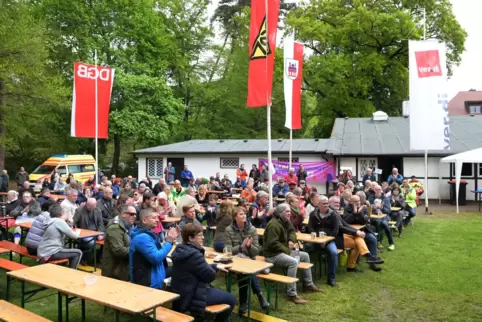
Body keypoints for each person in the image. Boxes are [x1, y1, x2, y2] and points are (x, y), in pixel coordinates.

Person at [171, 223, 236, 321]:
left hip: (181, 294)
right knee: (231, 299)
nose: (203, 237)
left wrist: (215, 265)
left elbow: (195, 268)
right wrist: (214, 269)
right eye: (200, 235)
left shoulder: (181, 250)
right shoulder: (194, 255)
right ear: (191, 238)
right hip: (191, 296)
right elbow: (210, 276)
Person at [263, 203, 321, 304]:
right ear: (280, 213)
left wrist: (291, 240)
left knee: (305, 255)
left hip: (283, 251)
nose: (290, 213)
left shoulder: (285, 221)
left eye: (290, 211)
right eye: (287, 211)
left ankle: (308, 284)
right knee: (293, 262)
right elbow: (272, 244)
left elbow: (292, 232)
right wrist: (287, 250)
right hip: (272, 255)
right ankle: (292, 294)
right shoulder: (274, 224)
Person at [224, 207, 270, 313]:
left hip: (250, 259)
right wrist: (241, 247)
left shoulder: (252, 229)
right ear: (235, 217)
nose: (244, 215)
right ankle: (259, 295)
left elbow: (256, 251)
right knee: (245, 272)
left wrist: (249, 247)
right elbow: (227, 250)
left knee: (245, 272)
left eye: (244, 214)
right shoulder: (228, 230)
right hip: (236, 260)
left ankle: (244, 303)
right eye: (241, 214)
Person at [130, 209, 179, 288]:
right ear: (144, 220)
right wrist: (169, 241)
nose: (157, 220)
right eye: (154, 218)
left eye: (157, 218)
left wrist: (168, 240)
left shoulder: (148, 234)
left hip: (155, 277)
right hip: (147, 284)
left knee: (181, 269)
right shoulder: (142, 238)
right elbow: (156, 258)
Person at [37, 203, 82, 269]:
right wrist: (78, 232)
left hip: (43, 251)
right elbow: (74, 236)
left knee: (68, 250)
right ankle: (71, 274)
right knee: (78, 253)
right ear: (61, 213)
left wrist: (67, 222)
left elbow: (65, 229)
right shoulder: (59, 221)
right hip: (50, 252)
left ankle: (64, 271)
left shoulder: (49, 220)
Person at [102, 205, 137, 281]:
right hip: (114, 270)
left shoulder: (128, 226)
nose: (134, 216)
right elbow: (118, 250)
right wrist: (135, 251)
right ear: (124, 214)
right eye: (131, 214)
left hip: (122, 267)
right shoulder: (115, 227)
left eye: (135, 214)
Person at [73, 198, 105, 265]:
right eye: (90, 206)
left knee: (109, 239)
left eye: (94, 206)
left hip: (96, 232)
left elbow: (100, 224)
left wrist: (100, 233)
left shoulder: (97, 210)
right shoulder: (80, 210)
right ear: (87, 204)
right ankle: (83, 258)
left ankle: (99, 257)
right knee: (90, 243)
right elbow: (74, 222)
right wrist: (76, 231)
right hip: (84, 233)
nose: (92, 208)